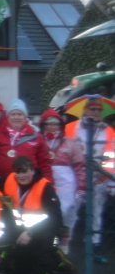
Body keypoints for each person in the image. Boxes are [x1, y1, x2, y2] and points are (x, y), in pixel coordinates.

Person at [0, 156, 63, 274]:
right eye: (18, 172)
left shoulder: (45, 187)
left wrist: (31, 232)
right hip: (22, 233)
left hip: (44, 232)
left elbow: (56, 219)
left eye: (25, 171)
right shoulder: (9, 180)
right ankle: (58, 260)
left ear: (33, 170)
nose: (21, 176)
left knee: (47, 251)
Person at [64, 96, 114, 257]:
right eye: (92, 109)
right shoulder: (70, 128)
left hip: (99, 179)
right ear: (84, 110)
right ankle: (65, 242)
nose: (96, 112)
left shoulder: (109, 131)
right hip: (75, 179)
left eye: (99, 110)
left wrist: (109, 182)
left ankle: (94, 243)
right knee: (71, 210)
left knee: (96, 212)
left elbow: (112, 157)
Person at [40, 109, 85, 254]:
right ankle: (49, 242)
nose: (52, 127)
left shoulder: (70, 143)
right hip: (45, 181)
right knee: (47, 212)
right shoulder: (38, 141)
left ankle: (64, 243)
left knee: (67, 213)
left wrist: (81, 186)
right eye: (48, 124)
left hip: (66, 184)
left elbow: (80, 165)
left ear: (61, 125)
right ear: (43, 125)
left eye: (55, 123)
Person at [0, 99, 53, 183]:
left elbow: (45, 164)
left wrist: (48, 184)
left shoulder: (36, 136)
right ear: (8, 117)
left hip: (30, 183)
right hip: (3, 182)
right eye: (13, 114)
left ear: (25, 117)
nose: (16, 117)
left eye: (19, 114)